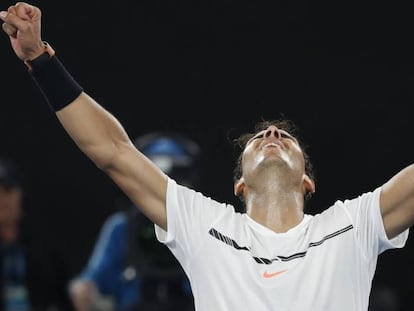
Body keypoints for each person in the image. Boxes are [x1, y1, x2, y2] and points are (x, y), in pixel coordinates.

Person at [1, 3, 413, 310]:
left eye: (285, 136)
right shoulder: (207, 228)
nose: (271, 133)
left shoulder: (351, 227)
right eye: (259, 138)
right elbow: (113, 151)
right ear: (239, 184)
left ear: (308, 182)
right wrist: (41, 60)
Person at [69, 131, 199, 311]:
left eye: (172, 184)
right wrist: (84, 292)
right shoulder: (122, 228)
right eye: (154, 183)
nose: (162, 197)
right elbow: (89, 284)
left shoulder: (201, 228)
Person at [0, 157, 71, 311]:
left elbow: (63, 299)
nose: (3, 200)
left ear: (19, 194)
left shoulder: (44, 249)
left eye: (8, 191)